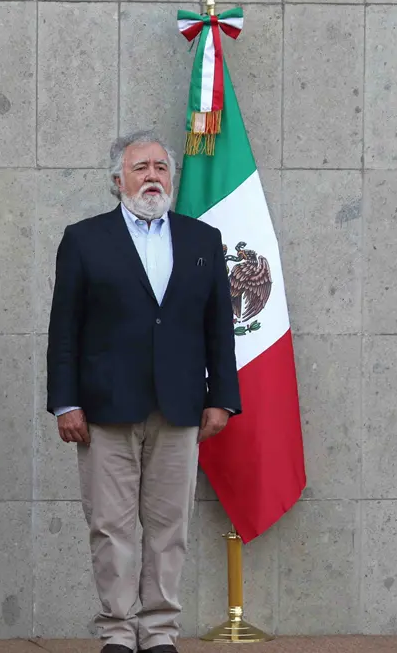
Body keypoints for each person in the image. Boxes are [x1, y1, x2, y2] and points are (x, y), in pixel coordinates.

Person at [45, 131, 241, 653]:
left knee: (168, 526)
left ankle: (158, 634)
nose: (153, 176)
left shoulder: (202, 239)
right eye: (140, 168)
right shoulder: (84, 239)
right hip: (105, 409)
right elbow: (64, 328)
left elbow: (219, 326)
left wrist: (221, 395)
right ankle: (117, 632)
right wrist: (66, 402)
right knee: (110, 527)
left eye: (160, 167)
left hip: (179, 409)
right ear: (117, 180)